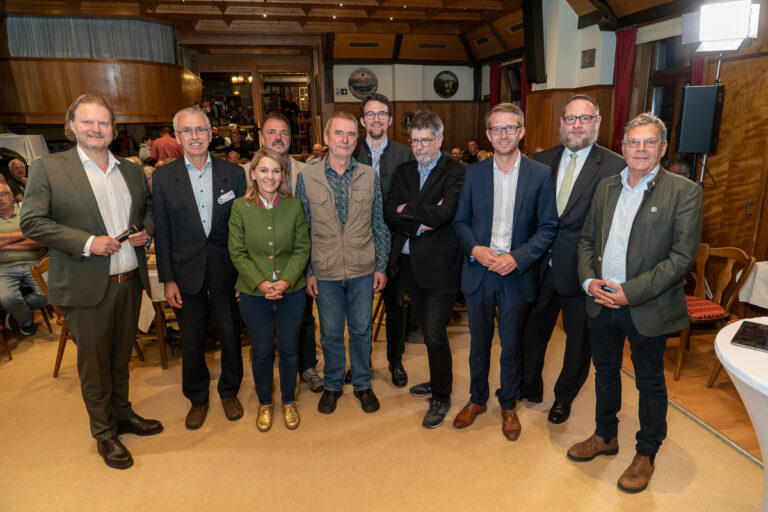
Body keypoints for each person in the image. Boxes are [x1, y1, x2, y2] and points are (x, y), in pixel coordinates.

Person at [21, 94, 160, 470]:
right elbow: (32, 222)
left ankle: (122, 414)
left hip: (129, 281)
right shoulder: (48, 168)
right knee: (94, 365)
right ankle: (104, 433)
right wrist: (87, 242)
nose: (97, 129)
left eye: (103, 123)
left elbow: (146, 210)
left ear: (114, 130)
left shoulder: (130, 169)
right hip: (85, 285)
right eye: (88, 122)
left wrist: (145, 231)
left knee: (120, 358)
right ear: (72, 126)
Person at [570, 112, 702, 493]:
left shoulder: (684, 192)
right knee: (605, 372)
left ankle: (646, 453)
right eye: (633, 142)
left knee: (649, 383)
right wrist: (589, 281)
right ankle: (605, 435)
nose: (640, 149)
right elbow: (586, 242)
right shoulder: (606, 187)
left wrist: (633, 291)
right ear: (623, 147)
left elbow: (681, 258)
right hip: (600, 301)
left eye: (649, 142)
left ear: (662, 148)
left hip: (648, 306)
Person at [452, 103, 558, 441]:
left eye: (510, 128)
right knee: (478, 343)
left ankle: (508, 403)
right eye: (496, 129)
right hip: (480, 271)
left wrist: (517, 258)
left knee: (512, 345)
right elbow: (460, 222)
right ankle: (477, 399)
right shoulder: (473, 173)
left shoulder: (539, 174)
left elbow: (547, 227)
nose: (503, 134)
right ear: (487, 134)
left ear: (521, 132)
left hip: (516, 273)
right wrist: (475, 249)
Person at [519, 95, 625, 424]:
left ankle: (564, 398)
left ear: (597, 122)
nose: (576, 125)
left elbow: (613, 225)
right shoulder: (540, 159)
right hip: (537, 266)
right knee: (531, 332)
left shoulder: (614, 165)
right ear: (562, 123)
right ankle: (529, 386)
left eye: (584, 118)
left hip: (582, 269)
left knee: (579, 340)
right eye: (570, 119)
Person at [153, 107, 247, 430]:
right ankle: (197, 398)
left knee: (230, 334)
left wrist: (244, 276)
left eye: (200, 130)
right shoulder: (164, 178)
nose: (195, 137)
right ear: (177, 137)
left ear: (211, 134)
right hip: (184, 272)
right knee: (192, 339)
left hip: (226, 269)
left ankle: (229, 391)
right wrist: (167, 279)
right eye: (187, 131)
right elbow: (162, 231)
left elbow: (241, 228)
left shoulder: (233, 173)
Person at [295, 111, 391, 414]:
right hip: (325, 270)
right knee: (331, 332)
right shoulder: (306, 177)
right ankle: (334, 383)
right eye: (339, 133)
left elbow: (379, 223)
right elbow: (303, 230)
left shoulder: (369, 175)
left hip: (364, 268)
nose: (345, 140)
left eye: (351, 134)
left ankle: (362, 383)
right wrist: (308, 271)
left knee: (362, 330)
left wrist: (381, 266)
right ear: (326, 138)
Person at [384, 111, 466, 428]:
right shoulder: (404, 170)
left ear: (440, 139)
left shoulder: (456, 172)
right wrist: (420, 222)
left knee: (433, 333)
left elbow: (445, 213)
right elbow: (391, 213)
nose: (419, 147)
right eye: (415, 140)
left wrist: (410, 213)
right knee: (427, 331)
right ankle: (435, 382)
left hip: (441, 269)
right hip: (409, 266)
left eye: (425, 140)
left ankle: (442, 396)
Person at [229, 148, 310, 432]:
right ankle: (265, 402)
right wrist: (261, 283)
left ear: (283, 174)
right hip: (253, 293)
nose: (270, 176)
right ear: (253, 174)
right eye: (263, 170)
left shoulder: (294, 205)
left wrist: (285, 282)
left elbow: (302, 249)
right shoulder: (240, 207)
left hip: (292, 292)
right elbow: (237, 252)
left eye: (276, 170)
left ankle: (289, 401)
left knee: (289, 350)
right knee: (262, 351)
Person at [260, 111, 324, 394]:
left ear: (291, 137)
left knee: (304, 319)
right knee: (263, 325)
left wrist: (308, 268)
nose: (278, 137)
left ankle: (307, 366)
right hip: (261, 263)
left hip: (300, 261)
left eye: (283, 133)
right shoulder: (247, 173)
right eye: (272, 132)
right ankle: (268, 374)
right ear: (262, 137)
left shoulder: (307, 172)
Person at [354, 92, 414, 387]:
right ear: (362, 120)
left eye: (381, 114)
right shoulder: (350, 151)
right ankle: (361, 362)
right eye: (370, 114)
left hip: (395, 244)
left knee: (395, 307)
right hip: (358, 245)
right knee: (359, 310)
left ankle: (395, 360)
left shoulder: (406, 153)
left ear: (389, 120)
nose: (375, 119)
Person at [0, 182, 46, 335]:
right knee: (7, 299)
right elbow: (30, 237)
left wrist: (4, 244)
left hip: (34, 263)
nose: (0, 199)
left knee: (50, 292)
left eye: (2, 194)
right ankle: (25, 319)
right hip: (4, 267)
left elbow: (38, 241)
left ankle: (17, 315)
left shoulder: (26, 212)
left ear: (11, 195)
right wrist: (23, 234)